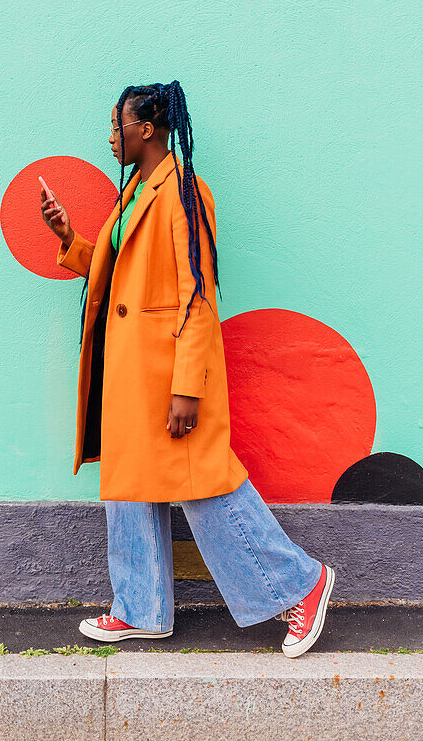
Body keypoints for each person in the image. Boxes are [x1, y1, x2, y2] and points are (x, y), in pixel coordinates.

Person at [40, 80, 334, 658]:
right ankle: (140, 610)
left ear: (145, 128)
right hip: (129, 376)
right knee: (128, 488)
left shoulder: (184, 194)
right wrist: (69, 238)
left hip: (162, 376)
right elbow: (116, 274)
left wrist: (187, 387)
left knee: (205, 487)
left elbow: (197, 297)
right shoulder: (138, 191)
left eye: (116, 125)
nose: (110, 136)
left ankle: (302, 584)